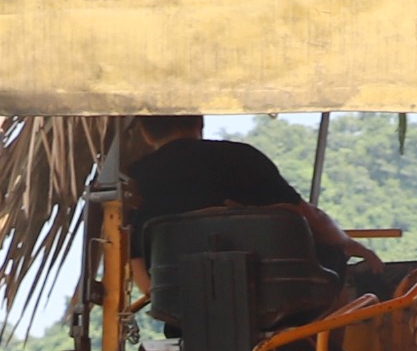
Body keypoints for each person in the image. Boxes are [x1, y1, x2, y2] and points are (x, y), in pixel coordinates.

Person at [119, 116, 380, 276]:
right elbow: (308, 217)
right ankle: (326, 349)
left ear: (146, 133)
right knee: (336, 258)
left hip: (179, 306)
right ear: (200, 122)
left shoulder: (133, 181)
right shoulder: (241, 157)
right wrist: (350, 244)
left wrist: (158, 294)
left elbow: (136, 257)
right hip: (275, 299)